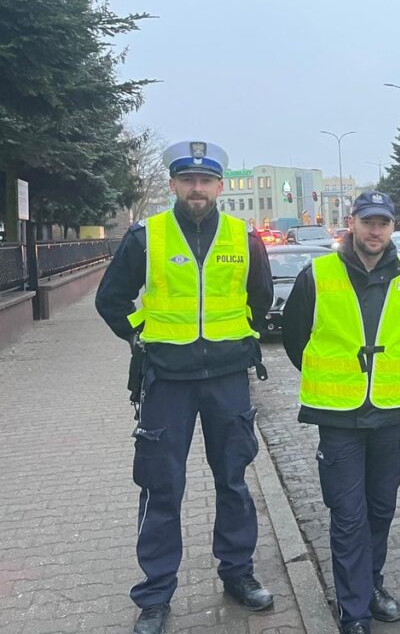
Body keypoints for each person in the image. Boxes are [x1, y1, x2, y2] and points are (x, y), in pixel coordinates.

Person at [95, 141, 275, 634]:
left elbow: (260, 297)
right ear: (174, 185)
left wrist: (243, 339)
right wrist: (141, 334)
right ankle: (154, 596)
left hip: (226, 380)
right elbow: (110, 300)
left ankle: (238, 574)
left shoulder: (244, 237)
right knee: (161, 486)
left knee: (234, 482)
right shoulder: (146, 236)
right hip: (167, 381)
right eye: (188, 180)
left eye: (206, 180)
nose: (197, 189)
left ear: (219, 186)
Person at [282, 190, 400, 634]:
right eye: (368, 221)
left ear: (392, 227)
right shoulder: (319, 273)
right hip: (340, 417)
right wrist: (340, 376)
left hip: (388, 414)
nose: (375, 230)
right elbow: (295, 339)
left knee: (381, 509)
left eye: (383, 222)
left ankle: (372, 584)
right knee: (348, 515)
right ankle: (354, 609)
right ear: (352, 222)